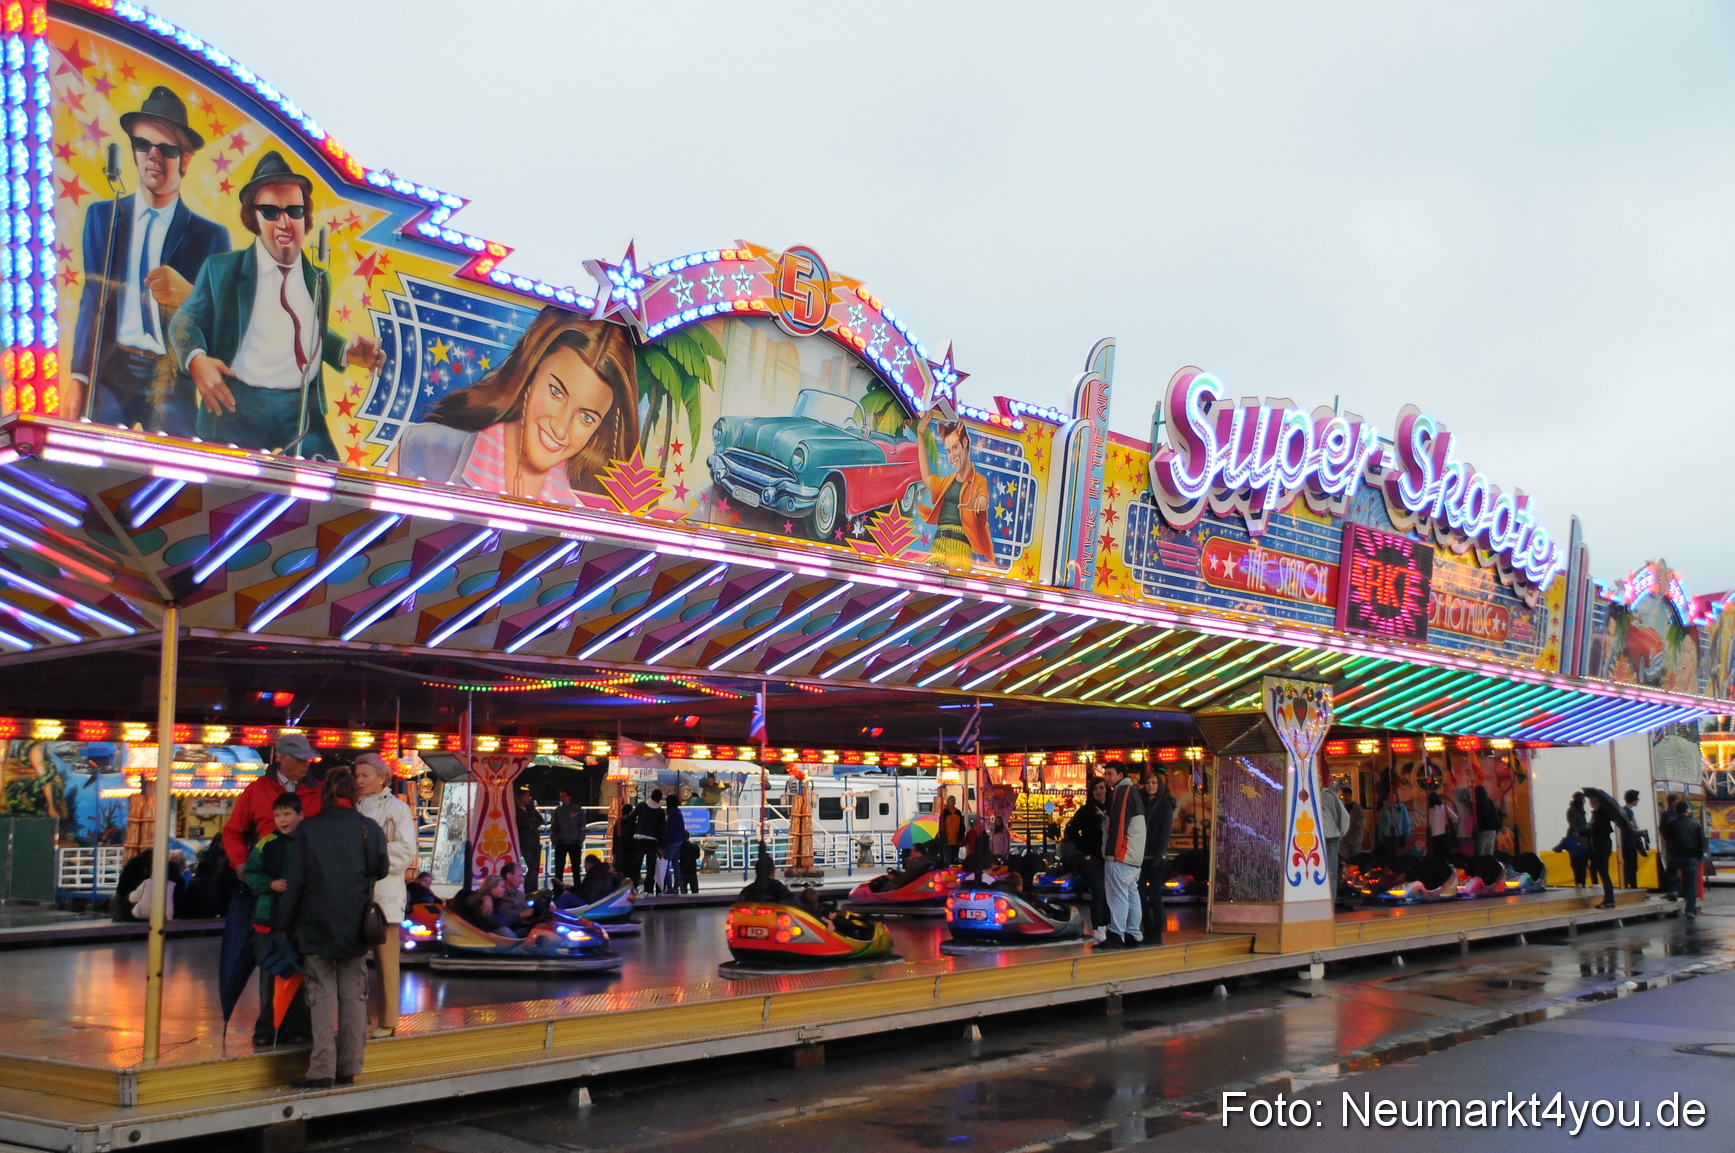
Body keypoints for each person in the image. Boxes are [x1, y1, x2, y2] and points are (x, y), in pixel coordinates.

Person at [169, 150, 384, 459]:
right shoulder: (222, 270)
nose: (285, 222)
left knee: (335, 486)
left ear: (305, 218)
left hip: (300, 409)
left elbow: (310, 332)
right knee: (222, 491)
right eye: (271, 211)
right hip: (237, 404)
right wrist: (196, 359)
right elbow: (184, 320)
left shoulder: (317, 278)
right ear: (253, 218)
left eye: (294, 211)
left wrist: (346, 352)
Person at [69, 85, 229, 435]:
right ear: (133, 151)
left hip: (170, 377)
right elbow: (93, 299)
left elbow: (224, 321)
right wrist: (79, 378)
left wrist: (190, 293)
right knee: (89, 467)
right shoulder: (103, 217)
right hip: (111, 371)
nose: (153, 155)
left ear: (185, 159)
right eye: (144, 144)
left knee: (185, 482)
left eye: (167, 148)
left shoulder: (210, 237)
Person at [396, 306, 639, 504]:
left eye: (587, 417)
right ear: (529, 374)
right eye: (556, 392)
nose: (561, 429)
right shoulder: (425, 446)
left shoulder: (579, 508)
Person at [277, 766, 388, 1090]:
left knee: (321, 997)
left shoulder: (309, 830)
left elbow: (297, 881)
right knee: (353, 996)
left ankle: (321, 1069)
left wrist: (285, 923)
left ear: (325, 793)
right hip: (355, 924)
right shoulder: (369, 828)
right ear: (353, 794)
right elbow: (380, 869)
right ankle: (350, 1066)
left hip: (315, 924)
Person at [239, 793, 310, 1045]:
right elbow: (250, 873)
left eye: (287, 814)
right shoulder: (266, 843)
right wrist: (270, 884)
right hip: (268, 917)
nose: (282, 819)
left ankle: (297, 1028)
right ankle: (267, 1029)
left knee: (299, 975)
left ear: (300, 815)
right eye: (278, 815)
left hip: (301, 920)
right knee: (269, 974)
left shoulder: (309, 842)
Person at [354, 753, 416, 1040]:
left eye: (365, 775)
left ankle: (388, 1019)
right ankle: (358, 1019)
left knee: (386, 960)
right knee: (353, 962)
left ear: (382, 777)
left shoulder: (397, 809)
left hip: (385, 895)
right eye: (357, 775)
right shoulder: (351, 807)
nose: (359, 780)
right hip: (353, 893)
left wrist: (368, 859)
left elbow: (406, 851)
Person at [222, 733, 323, 873]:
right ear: (281, 757)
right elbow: (233, 832)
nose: (306, 763)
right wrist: (241, 862)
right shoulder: (256, 790)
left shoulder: (321, 791)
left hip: (311, 874)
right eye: (299, 759)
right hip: (268, 872)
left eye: (307, 758)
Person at [916, 409, 991, 572]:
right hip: (939, 544)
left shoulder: (978, 481)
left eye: (955, 448)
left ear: (965, 444)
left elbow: (983, 501)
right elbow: (927, 478)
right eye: (948, 451)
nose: (952, 456)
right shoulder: (947, 481)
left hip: (960, 547)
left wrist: (976, 503)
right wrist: (920, 436)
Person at [1097, 761, 1146, 949]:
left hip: (1121, 855)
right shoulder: (1132, 792)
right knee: (1132, 894)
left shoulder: (1122, 792)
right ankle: (1134, 933)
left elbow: (1117, 825)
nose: (1106, 777)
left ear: (1120, 775)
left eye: (1110, 774)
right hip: (1133, 856)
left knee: (1117, 895)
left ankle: (1116, 934)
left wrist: (1110, 853)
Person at [1064, 778, 1110, 942]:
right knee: (1098, 891)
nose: (1099, 791)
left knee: (1110, 892)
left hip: (1111, 856)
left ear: (1106, 789)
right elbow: (1070, 830)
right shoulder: (1085, 811)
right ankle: (1098, 929)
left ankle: (1109, 926)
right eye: (1095, 789)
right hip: (1092, 857)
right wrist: (1084, 847)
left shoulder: (1113, 808)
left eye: (1101, 788)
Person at [1138, 769, 1175, 945]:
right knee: (1139, 894)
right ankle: (1147, 927)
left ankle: (1157, 931)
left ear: (1159, 785)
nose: (1150, 786)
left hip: (1156, 856)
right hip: (1139, 856)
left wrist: (1158, 857)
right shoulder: (1140, 804)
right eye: (1148, 783)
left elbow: (1165, 831)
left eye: (1154, 783)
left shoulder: (1165, 804)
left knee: (1154, 894)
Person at [1661, 800, 1706, 920]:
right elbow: (1701, 842)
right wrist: (1699, 855)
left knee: (1671, 872)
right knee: (1691, 885)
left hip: (1675, 856)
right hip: (1692, 858)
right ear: (1687, 810)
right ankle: (1690, 911)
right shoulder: (1695, 824)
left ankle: (1673, 891)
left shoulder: (1671, 824)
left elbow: (1666, 836)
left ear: (1676, 811)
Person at [128, 847, 184, 922]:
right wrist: (170, 919)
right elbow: (170, 904)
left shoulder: (147, 882)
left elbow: (132, 898)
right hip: (163, 916)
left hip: (141, 915)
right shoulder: (174, 884)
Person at [1318, 779, 1350, 906]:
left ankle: (1330, 905)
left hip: (1330, 837)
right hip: (1320, 838)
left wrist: (1340, 833)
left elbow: (1344, 816)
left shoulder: (1327, 796)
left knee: (1330, 872)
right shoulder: (1313, 796)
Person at [1586, 792, 1617, 909]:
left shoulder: (1602, 814)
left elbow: (1603, 829)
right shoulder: (1597, 813)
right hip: (1600, 846)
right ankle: (1608, 898)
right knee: (1601, 872)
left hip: (1602, 846)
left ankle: (1609, 899)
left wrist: (1593, 825)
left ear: (1597, 802)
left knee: (1604, 873)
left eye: (1592, 801)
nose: (1590, 803)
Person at [550, 789, 586, 888]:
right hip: (561, 843)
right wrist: (555, 840)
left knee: (576, 869)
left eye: (563, 796)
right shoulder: (558, 811)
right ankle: (558, 890)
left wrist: (580, 839)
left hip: (575, 843)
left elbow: (582, 825)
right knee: (559, 869)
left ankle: (578, 889)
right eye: (560, 796)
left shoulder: (578, 809)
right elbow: (554, 827)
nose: (561, 798)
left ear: (569, 797)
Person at [1557, 793, 1590, 889]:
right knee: (1577, 861)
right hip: (1576, 838)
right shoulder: (1573, 810)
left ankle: (1581, 882)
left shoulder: (1577, 810)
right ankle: (1579, 881)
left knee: (1582, 862)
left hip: (1581, 837)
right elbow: (1574, 824)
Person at [514, 789, 544, 892]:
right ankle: (527, 889)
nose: (529, 798)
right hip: (525, 842)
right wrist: (531, 822)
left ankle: (533, 889)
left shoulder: (530, 807)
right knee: (532, 867)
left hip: (535, 841)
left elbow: (540, 819)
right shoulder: (515, 809)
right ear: (521, 797)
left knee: (535, 868)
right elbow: (521, 822)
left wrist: (531, 823)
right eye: (527, 796)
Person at [661, 790, 689, 894]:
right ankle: (676, 887)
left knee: (665, 864)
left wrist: (663, 843)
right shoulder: (678, 813)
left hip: (672, 841)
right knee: (675, 864)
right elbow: (682, 827)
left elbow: (669, 830)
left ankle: (669, 886)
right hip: (679, 841)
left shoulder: (671, 814)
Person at [1620, 789, 1646, 890]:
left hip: (1625, 842)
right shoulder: (1628, 812)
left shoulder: (1623, 810)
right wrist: (1640, 832)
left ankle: (1628, 885)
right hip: (1629, 842)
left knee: (1629, 865)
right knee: (1631, 866)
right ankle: (1631, 886)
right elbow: (1632, 828)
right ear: (1634, 800)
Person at [1376, 791, 1411, 858]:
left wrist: (1407, 832)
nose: (1392, 798)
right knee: (1388, 853)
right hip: (1387, 834)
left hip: (1397, 833)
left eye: (1393, 796)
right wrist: (1380, 835)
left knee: (1395, 852)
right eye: (1390, 797)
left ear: (1396, 797)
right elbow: (1382, 823)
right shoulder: (1385, 808)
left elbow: (1405, 821)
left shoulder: (1402, 807)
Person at [496, 862, 531, 927]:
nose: (521, 880)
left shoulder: (520, 895)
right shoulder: (499, 895)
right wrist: (522, 914)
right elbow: (505, 917)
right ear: (509, 876)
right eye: (519, 876)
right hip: (510, 931)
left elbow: (528, 912)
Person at [1473, 785, 1502, 857]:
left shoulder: (1477, 804)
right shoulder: (1491, 803)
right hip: (1492, 829)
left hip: (1482, 829)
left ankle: (1482, 865)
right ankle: (1490, 864)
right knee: (1490, 850)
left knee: (1481, 851)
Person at [937, 795, 966, 866]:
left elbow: (961, 825)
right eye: (951, 800)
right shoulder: (945, 812)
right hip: (947, 840)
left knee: (955, 859)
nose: (953, 802)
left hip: (956, 840)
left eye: (954, 800)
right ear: (948, 802)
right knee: (948, 860)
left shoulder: (958, 812)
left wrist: (961, 837)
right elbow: (941, 826)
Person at [1425, 791, 1455, 859]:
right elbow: (1455, 817)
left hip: (1433, 836)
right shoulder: (1444, 807)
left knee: (1436, 855)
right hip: (1444, 834)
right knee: (1445, 854)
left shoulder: (1429, 810)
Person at [1339, 787, 1364, 860]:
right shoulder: (1341, 807)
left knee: (1356, 858)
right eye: (1344, 795)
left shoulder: (1357, 807)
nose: (1345, 798)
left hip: (1355, 838)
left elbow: (1363, 819)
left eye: (1347, 795)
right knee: (1345, 858)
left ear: (1350, 796)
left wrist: (1358, 824)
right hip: (1344, 838)